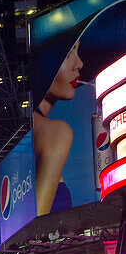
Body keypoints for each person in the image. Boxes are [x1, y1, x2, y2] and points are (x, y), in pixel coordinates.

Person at [33, 40, 83, 215]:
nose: (79, 64)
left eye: (78, 51)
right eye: (68, 53)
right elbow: (34, 230)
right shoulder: (56, 133)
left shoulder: (32, 131)